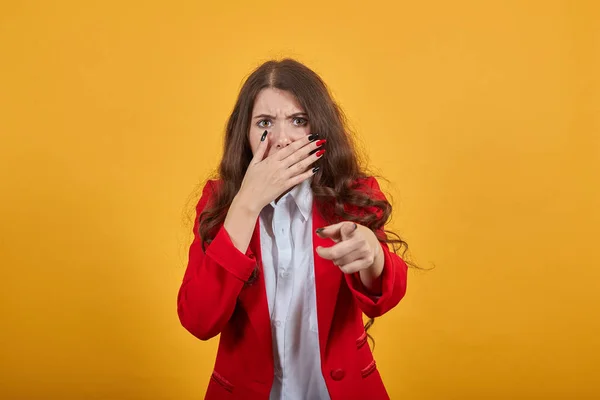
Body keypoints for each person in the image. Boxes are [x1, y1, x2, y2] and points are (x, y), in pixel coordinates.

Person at [177, 58, 409, 400]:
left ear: (320, 129)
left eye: (298, 121)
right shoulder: (219, 202)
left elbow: (384, 299)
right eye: (265, 123)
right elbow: (198, 319)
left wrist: (373, 256)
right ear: (246, 135)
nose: (283, 140)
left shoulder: (354, 194)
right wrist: (245, 206)